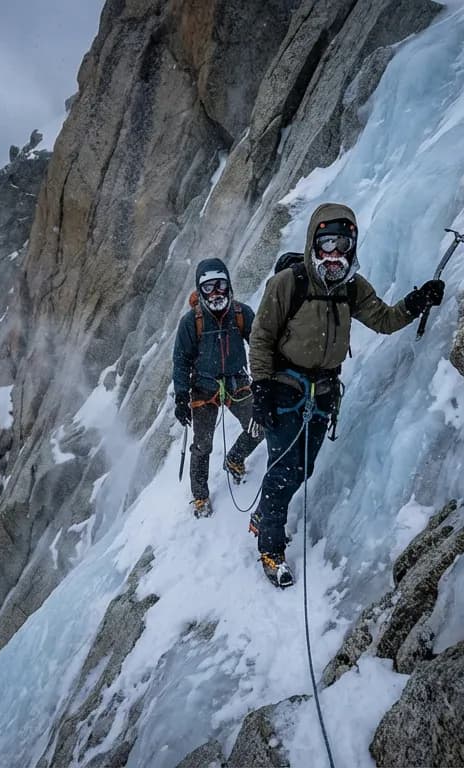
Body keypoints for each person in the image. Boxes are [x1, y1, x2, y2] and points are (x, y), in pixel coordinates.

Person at [247, 203, 445, 587]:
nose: (334, 254)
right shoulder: (289, 283)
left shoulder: (352, 287)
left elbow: (384, 319)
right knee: (284, 469)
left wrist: (416, 301)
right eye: (326, 244)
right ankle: (270, 548)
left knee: (301, 468)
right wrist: (261, 388)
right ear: (313, 245)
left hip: (322, 395)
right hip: (285, 390)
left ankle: (262, 516)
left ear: (351, 247)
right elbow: (262, 337)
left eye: (342, 244)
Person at [171, 258, 264, 518]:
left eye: (221, 285)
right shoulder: (191, 322)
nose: (216, 293)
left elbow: (259, 345)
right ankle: (200, 496)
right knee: (202, 446)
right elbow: (180, 361)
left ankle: (235, 458)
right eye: (209, 287)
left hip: (237, 382)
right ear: (200, 290)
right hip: (203, 388)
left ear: (229, 285)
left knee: (260, 427)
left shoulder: (241, 314)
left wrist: (264, 378)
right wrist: (181, 396)